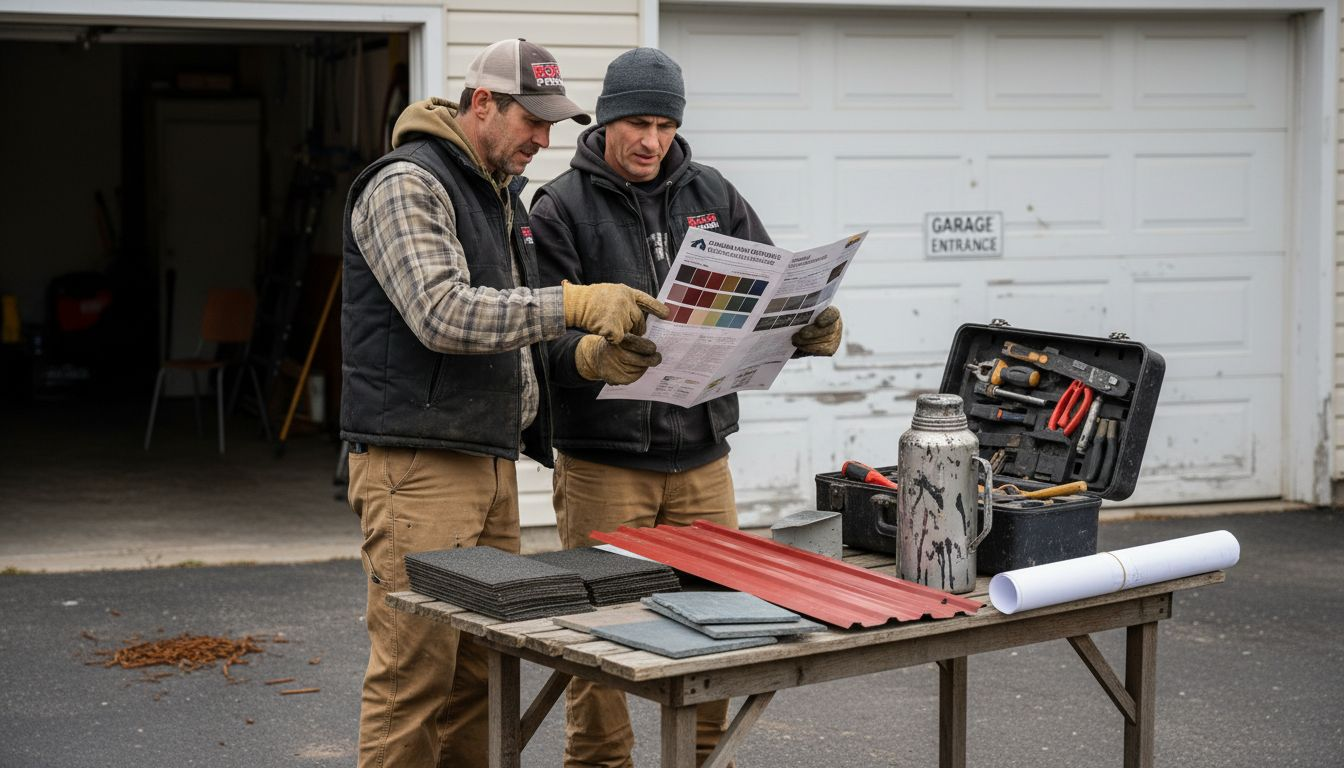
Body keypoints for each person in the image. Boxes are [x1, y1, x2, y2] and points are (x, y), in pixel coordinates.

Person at [341, 39, 667, 768]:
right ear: (482, 103)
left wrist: (591, 359)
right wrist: (574, 304)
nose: (544, 140)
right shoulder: (408, 184)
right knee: (413, 680)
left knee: (479, 677)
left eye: (554, 125)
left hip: (485, 463)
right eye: (532, 120)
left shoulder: (500, 196)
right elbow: (443, 313)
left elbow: (514, 331)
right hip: (417, 469)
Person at [528, 47, 844, 768]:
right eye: (638, 122)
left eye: (666, 124)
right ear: (607, 119)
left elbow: (770, 293)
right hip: (603, 464)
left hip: (704, 459)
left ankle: (710, 758)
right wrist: (588, 357)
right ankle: (600, 762)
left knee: (721, 626)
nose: (652, 141)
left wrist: (806, 328)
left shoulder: (715, 193)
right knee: (601, 636)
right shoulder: (558, 209)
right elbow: (534, 341)